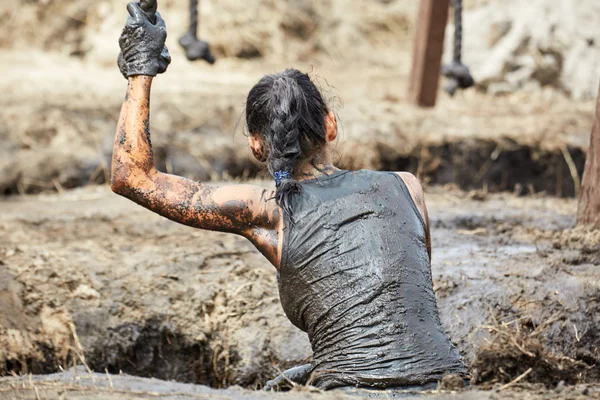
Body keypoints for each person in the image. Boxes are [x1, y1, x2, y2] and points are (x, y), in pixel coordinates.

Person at [112, 2, 467, 393]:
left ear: (256, 146)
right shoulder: (407, 185)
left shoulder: (267, 210)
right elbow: (396, 308)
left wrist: (139, 67)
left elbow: (131, 176)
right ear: (330, 126)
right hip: (449, 385)